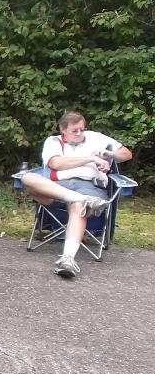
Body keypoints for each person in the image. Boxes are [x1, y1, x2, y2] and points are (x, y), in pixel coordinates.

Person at [20, 111, 132, 278]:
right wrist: (91, 158)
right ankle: (82, 199)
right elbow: (55, 163)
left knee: (78, 207)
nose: (80, 133)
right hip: (59, 188)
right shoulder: (53, 141)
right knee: (27, 178)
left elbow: (127, 154)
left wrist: (110, 154)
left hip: (90, 186)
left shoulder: (96, 138)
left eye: (82, 129)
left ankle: (68, 259)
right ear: (62, 129)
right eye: (74, 130)